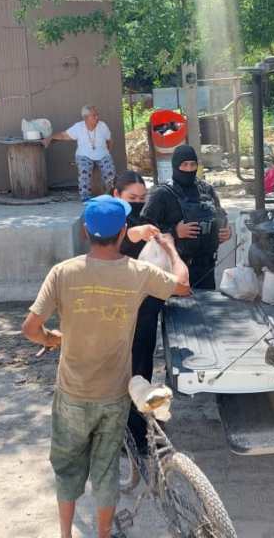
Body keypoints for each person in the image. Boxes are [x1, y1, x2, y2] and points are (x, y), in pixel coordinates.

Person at [22, 195, 189, 538]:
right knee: (105, 468)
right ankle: (102, 533)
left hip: (71, 392)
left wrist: (54, 340)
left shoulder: (63, 272)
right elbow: (183, 285)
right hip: (113, 394)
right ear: (124, 231)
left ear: (85, 232)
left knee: (67, 470)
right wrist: (171, 248)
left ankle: (66, 534)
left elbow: (30, 330)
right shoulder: (139, 273)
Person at [111, 171, 164, 457]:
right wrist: (136, 234)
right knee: (127, 370)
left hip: (145, 309)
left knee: (143, 367)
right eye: (132, 198)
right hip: (122, 312)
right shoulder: (110, 218)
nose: (137, 203)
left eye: (141, 199)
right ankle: (128, 436)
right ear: (116, 194)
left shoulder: (140, 219)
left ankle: (142, 426)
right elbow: (117, 242)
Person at [142, 144, 232, 290]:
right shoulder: (161, 194)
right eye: (184, 165)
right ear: (175, 166)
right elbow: (144, 228)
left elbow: (220, 216)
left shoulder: (206, 189)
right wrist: (174, 232)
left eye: (193, 164)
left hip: (206, 268)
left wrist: (226, 231)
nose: (189, 169)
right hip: (174, 268)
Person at [45, 105, 115, 200]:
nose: (97, 117)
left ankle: (111, 195)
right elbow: (64, 135)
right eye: (94, 115)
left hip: (102, 154)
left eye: (97, 115)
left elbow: (110, 140)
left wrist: (108, 153)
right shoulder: (78, 127)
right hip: (84, 155)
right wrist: (51, 137)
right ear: (86, 117)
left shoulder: (102, 125)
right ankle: (85, 197)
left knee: (110, 172)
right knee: (84, 172)